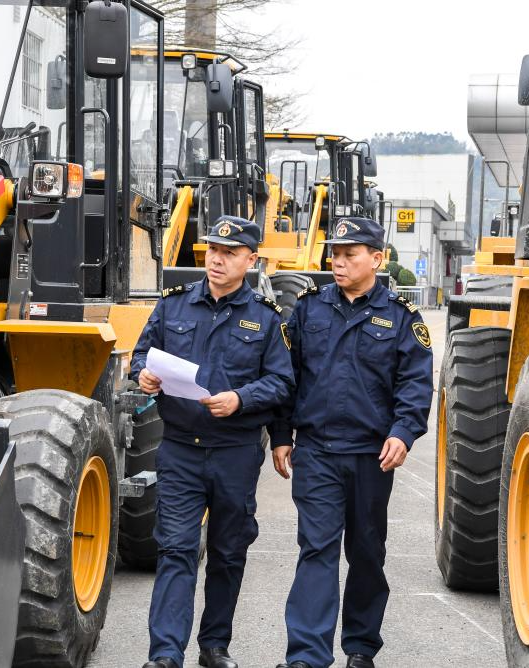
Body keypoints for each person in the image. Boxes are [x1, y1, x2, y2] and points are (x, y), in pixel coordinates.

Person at [270, 217, 434, 668]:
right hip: (317, 451)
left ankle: (361, 647)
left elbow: (415, 383)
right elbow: (287, 376)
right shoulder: (308, 309)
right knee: (316, 549)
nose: (338, 263)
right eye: (335, 255)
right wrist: (281, 435)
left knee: (366, 553)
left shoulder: (402, 317)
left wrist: (403, 433)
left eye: (349, 255)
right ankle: (306, 655)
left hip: (370, 456)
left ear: (377, 259)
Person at [132, 216, 295, 668]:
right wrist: (142, 374)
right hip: (180, 449)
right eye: (212, 251)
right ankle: (165, 654)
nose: (217, 260)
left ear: (251, 259)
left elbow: (283, 382)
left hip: (235, 453)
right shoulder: (173, 305)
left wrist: (241, 399)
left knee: (227, 552)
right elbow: (143, 353)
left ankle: (214, 646)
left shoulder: (266, 318)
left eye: (229, 253)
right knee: (176, 549)